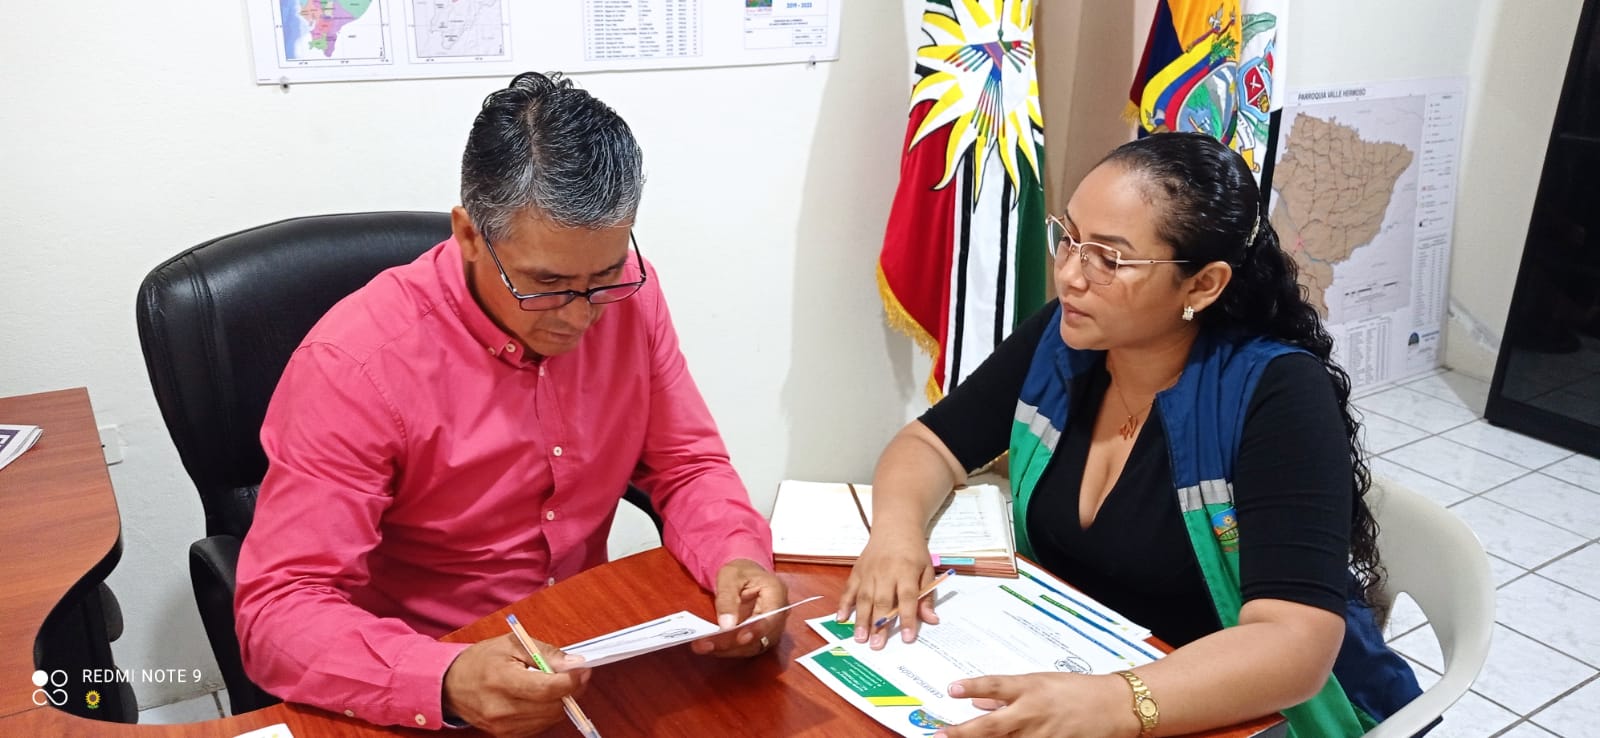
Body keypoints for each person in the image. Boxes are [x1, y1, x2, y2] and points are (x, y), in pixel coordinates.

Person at [234, 71, 788, 736]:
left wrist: (737, 559)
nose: (579, 316)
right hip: (429, 677)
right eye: (545, 284)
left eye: (603, 276)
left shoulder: (631, 299)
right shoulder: (357, 363)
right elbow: (277, 610)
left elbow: (688, 465)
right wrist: (444, 677)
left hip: (584, 653)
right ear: (470, 235)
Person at [839, 132, 1423, 738]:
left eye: (1109, 260)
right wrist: (896, 535)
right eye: (1068, 238)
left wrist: (1116, 702)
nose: (1070, 275)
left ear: (1202, 285)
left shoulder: (1276, 393)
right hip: (1082, 658)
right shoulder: (1069, 336)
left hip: (1240, 711)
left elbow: (1295, 645)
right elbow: (931, 444)